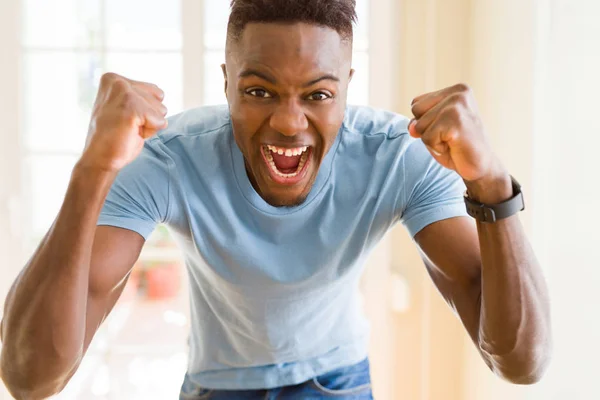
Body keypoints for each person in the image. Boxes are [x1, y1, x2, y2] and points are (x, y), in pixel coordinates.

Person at [0, 0, 552, 399]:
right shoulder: (170, 160)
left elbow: (521, 361)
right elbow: (29, 377)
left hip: (340, 383)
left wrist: (492, 185)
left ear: (346, 86)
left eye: (318, 94)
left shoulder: (394, 156)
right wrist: (92, 169)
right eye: (259, 90)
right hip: (217, 386)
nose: (289, 123)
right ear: (226, 83)